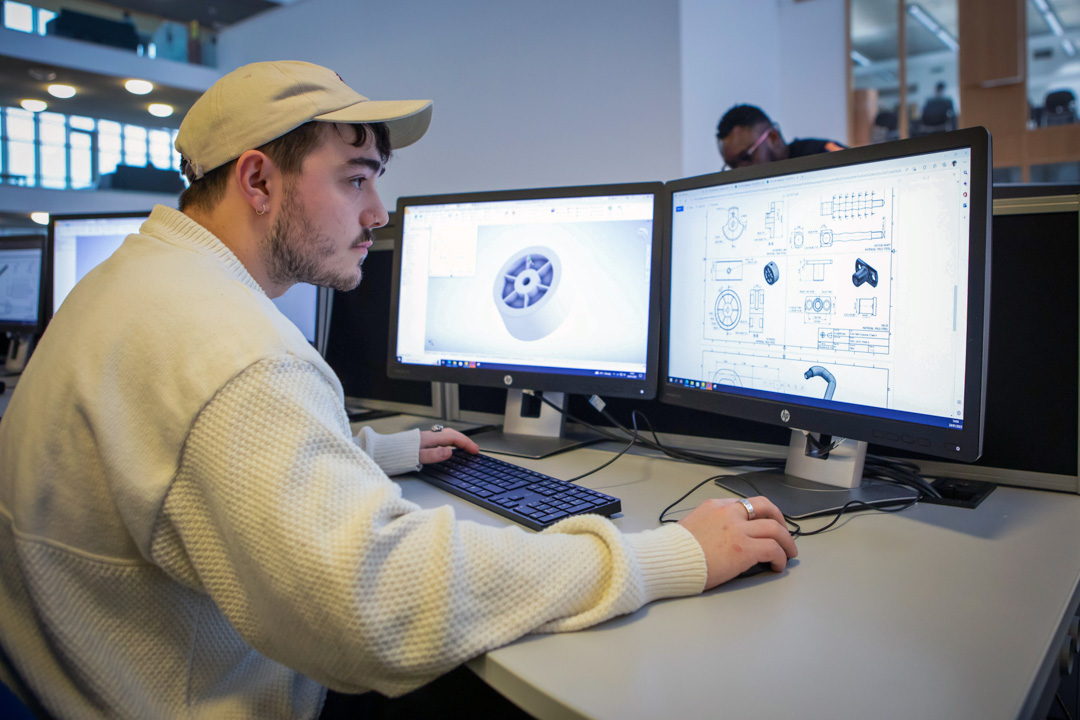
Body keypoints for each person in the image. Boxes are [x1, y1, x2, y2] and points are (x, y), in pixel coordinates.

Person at [0, 60, 797, 719]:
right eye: (355, 179)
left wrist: (372, 450)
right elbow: (379, 605)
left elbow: (183, 452)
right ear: (257, 180)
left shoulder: (136, 282)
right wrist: (665, 555)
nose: (380, 213)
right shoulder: (236, 352)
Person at [717, 104, 845, 170]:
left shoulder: (825, 155)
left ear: (772, 137)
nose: (739, 172)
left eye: (745, 158)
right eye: (732, 166)